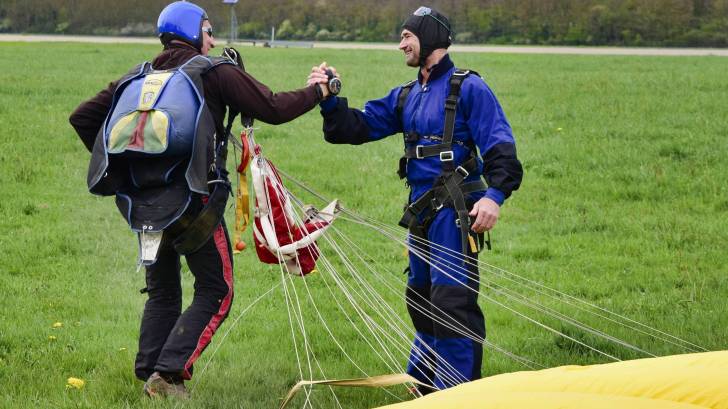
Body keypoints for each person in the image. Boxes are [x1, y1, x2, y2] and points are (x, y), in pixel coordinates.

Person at [69, 1, 328, 398]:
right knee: (216, 288)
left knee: (164, 289)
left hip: (143, 206)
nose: (212, 40)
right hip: (193, 203)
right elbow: (273, 108)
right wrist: (318, 91)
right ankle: (168, 375)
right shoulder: (214, 72)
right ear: (193, 32)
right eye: (208, 32)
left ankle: (151, 372)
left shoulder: (138, 77)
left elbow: (84, 118)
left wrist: (122, 168)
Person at [307, 6, 523, 393]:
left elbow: (501, 146)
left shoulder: (468, 87)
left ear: (430, 38)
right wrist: (329, 98)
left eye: (407, 36)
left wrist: (494, 196)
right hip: (421, 212)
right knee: (420, 298)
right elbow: (356, 127)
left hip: (457, 211)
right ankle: (423, 380)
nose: (401, 44)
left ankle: (456, 391)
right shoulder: (407, 95)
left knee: (451, 301)